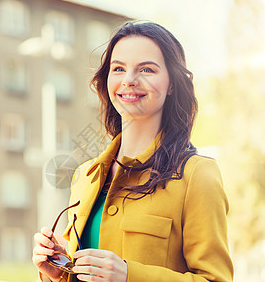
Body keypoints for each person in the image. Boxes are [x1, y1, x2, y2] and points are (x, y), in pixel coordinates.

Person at [33, 20, 234, 282]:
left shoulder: (197, 175)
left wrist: (130, 275)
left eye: (147, 69)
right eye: (118, 68)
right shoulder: (85, 176)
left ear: (172, 84)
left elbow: (215, 279)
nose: (129, 80)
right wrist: (59, 272)